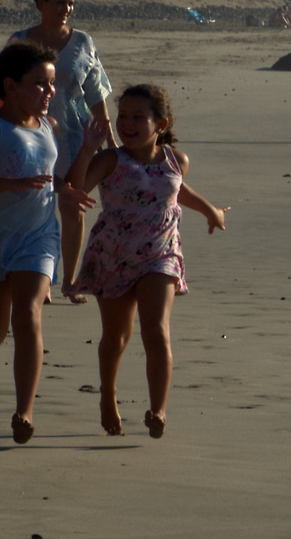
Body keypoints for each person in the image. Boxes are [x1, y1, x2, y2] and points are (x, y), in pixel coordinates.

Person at [0, 41, 98, 444]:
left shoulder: (51, 127)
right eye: (40, 84)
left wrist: (64, 189)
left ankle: (24, 411)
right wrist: (12, 184)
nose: (49, 92)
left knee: (27, 315)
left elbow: (44, 176)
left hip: (37, 236)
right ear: (10, 86)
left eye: (51, 84)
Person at [66, 84, 227, 439]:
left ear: (161, 123)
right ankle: (108, 395)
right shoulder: (110, 160)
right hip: (113, 255)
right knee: (117, 335)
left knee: (156, 331)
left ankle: (158, 409)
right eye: (123, 116)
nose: (128, 123)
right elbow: (76, 189)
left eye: (139, 117)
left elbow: (175, 189)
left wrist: (210, 211)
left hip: (160, 255)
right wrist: (87, 150)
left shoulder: (175, 160)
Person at [3, 0, 113, 303]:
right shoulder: (19, 42)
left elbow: (96, 93)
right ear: (40, 3)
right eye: (59, 2)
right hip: (30, 135)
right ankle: (40, 278)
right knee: (35, 205)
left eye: (71, 3)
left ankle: (68, 281)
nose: (66, 9)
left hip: (75, 136)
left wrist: (112, 143)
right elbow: (2, 87)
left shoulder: (82, 42)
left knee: (72, 206)